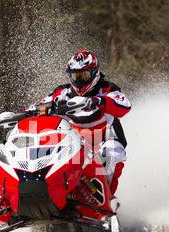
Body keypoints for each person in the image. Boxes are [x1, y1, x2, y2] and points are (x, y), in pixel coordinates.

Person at [28, 50, 131, 203]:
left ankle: (106, 200)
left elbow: (125, 105)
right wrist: (21, 114)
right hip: (73, 144)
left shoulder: (108, 89)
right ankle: (42, 197)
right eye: (75, 76)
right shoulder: (63, 92)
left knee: (109, 154)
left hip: (103, 140)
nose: (79, 81)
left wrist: (99, 101)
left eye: (83, 76)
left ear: (94, 73)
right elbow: (39, 105)